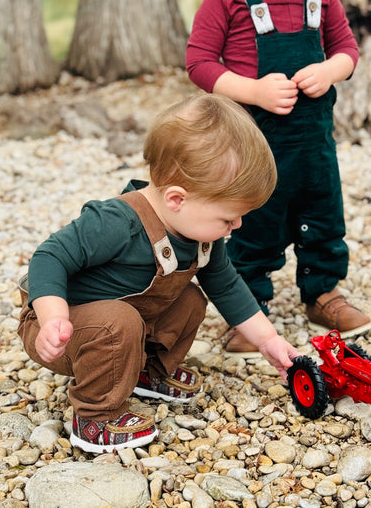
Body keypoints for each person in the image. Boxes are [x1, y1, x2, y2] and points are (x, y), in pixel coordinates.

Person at [18, 93, 299, 454]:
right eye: (228, 218)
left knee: (191, 299)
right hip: (63, 330)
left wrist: (267, 340)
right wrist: (52, 317)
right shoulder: (116, 223)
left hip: (122, 327)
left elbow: (226, 285)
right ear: (177, 199)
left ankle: (143, 371)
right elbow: (49, 256)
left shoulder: (200, 234)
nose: (238, 225)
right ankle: (94, 418)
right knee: (117, 321)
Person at [186, 0, 371, 354]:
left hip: (313, 143)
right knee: (255, 225)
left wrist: (330, 70)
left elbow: (348, 49)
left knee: (324, 216)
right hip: (253, 143)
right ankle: (250, 309)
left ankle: (323, 291)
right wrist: (252, 90)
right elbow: (199, 63)